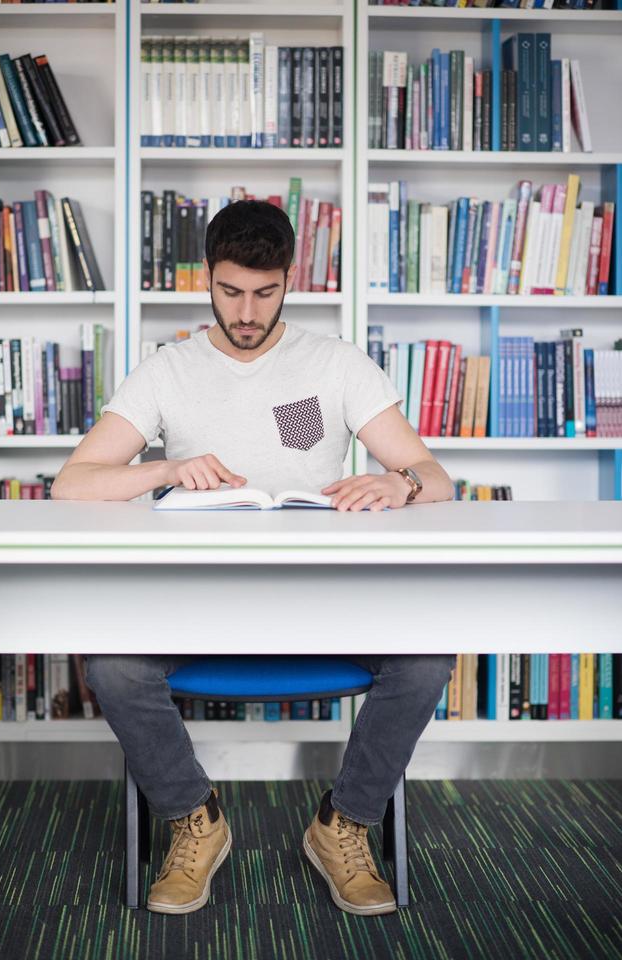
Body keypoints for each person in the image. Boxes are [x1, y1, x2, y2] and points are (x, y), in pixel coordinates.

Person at [52, 200, 456, 917]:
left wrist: (399, 480)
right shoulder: (168, 369)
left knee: (427, 659)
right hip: (196, 601)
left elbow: (436, 474)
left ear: (289, 281)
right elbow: (71, 483)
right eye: (230, 291)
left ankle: (346, 826)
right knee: (112, 666)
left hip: (321, 600)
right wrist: (163, 470)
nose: (245, 311)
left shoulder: (335, 365)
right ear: (206, 278)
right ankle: (191, 819)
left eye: (263, 293)